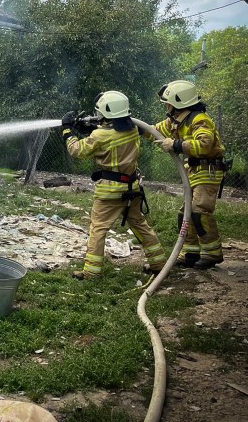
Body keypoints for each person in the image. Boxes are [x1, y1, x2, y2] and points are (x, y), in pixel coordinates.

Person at [62, 91, 167, 279]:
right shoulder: (133, 129)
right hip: (131, 188)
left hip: (109, 192)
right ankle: (159, 263)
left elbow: (77, 150)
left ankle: (92, 272)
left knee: (98, 229)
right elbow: (107, 132)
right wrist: (88, 128)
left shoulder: (101, 135)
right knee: (140, 225)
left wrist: (68, 131)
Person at [152, 80, 227, 269]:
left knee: (199, 211)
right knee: (184, 213)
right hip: (194, 170)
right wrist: (127, 125)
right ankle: (190, 253)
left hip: (208, 170)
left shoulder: (199, 119)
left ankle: (212, 253)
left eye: (168, 102)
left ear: (179, 102)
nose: (166, 106)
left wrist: (176, 145)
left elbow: (204, 145)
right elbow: (153, 131)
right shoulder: (176, 120)